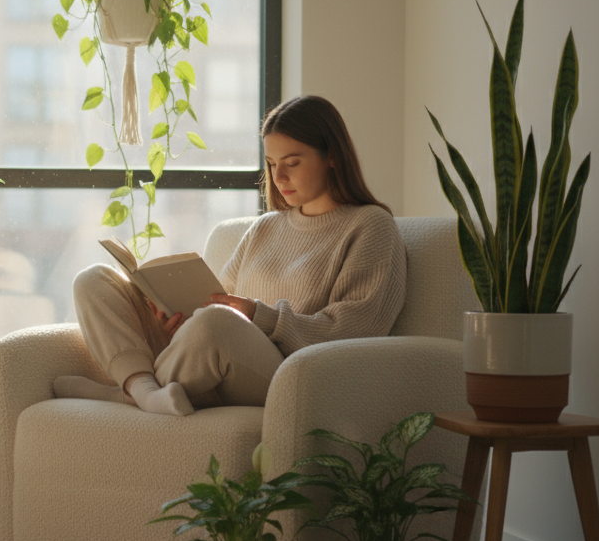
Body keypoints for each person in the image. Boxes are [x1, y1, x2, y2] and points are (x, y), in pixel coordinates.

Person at [54, 95, 408, 416]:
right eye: (270, 163)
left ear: (332, 155)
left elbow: (355, 331)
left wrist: (260, 316)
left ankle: (129, 393)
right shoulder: (264, 227)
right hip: (221, 355)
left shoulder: (371, 226)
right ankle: (147, 391)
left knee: (217, 323)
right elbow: (214, 306)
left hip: (290, 372)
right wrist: (176, 318)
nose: (278, 176)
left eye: (293, 162)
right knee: (94, 279)